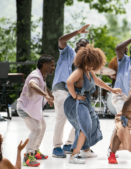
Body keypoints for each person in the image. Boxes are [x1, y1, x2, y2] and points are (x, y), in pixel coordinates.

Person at [64, 45, 121, 164]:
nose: (91, 67)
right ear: (84, 60)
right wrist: (75, 96)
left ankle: (85, 150)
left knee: (94, 122)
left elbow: (98, 81)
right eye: (89, 64)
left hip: (86, 101)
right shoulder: (79, 70)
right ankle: (74, 155)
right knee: (85, 126)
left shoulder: (88, 71)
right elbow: (69, 82)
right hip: (77, 102)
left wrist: (112, 90)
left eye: (93, 65)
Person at [52, 24, 90, 158]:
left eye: (85, 46)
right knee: (62, 116)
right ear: (76, 44)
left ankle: (68, 144)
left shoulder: (83, 63)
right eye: (80, 44)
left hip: (72, 92)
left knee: (79, 117)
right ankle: (56, 147)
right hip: (61, 88)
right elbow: (61, 40)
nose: (82, 46)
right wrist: (77, 32)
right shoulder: (68, 51)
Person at [16, 54, 55, 166]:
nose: (53, 67)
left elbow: (44, 87)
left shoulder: (42, 75)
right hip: (25, 109)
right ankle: (28, 156)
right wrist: (46, 96)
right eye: (51, 65)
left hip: (33, 109)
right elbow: (33, 85)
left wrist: (50, 96)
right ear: (44, 65)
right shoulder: (35, 75)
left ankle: (34, 151)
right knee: (36, 129)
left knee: (42, 127)